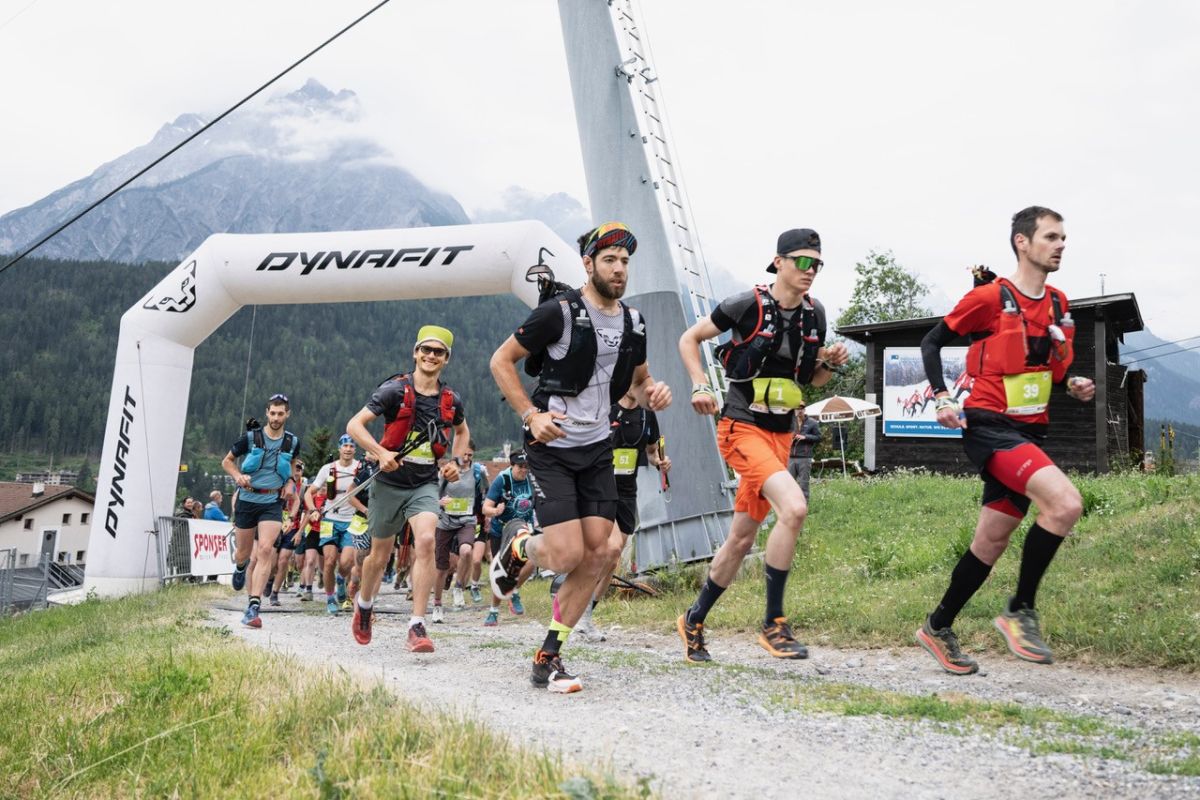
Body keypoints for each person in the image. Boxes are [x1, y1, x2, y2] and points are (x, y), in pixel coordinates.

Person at [489, 221, 671, 693]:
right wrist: (530, 415)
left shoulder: (634, 322)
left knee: (603, 551)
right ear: (588, 264)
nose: (619, 269)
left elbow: (639, 381)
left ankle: (548, 656)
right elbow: (500, 361)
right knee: (567, 553)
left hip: (596, 450)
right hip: (550, 448)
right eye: (609, 260)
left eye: (625, 261)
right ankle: (520, 544)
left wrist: (654, 393)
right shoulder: (559, 313)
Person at [914, 206, 1094, 675]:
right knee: (1065, 504)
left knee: (991, 541)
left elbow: (1045, 368)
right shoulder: (990, 297)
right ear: (1022, 242)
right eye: (1051, 237)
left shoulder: (1058, 303)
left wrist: (1071, 382)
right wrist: (941, 397)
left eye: (1063, 238)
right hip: (989, 427)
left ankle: (937, 626)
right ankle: (1019, 610)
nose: (1060, 245)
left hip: (1029, 431)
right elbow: (931, 343)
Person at [678, 228, 849, 663]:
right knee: (794, 508)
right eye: (803, 262)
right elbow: (689, 339)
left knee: (740, 539)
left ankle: (693, 619)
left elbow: (812, 379)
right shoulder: (745, 305)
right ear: (779, 262)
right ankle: (774, 624)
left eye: (818, 264)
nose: (811, 271)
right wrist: (700, 384)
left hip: (781, 434)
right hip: (741, 427)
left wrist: (828, 364)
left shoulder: (815, 314)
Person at [346, 325, 471, 652]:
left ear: (446, 359)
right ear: (416, 353)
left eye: (438, 352)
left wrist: (456, 463)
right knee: (378, 556)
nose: (431, 356)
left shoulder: (451, 399)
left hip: (424, 483)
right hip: (388, 483)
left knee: (426, 541)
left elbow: (462, 432)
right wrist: (380, 452)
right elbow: (354, 425)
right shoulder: (394, 390)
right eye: (426, 350)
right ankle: (364, 604)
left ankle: (417, 624)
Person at [575, 391, 670, 642]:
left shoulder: (647, 414)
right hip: (600, 487)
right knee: (613, 546)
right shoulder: (605, 407)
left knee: (613, 558)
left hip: (627, 491)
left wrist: (660, 462)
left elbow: (651, 452)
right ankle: (579, 612)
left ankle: (586, 615)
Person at [221, 394, 301, 629]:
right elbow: (227, 461)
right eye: (272, 413)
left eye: (280, 413)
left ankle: (254, 606)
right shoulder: (251, 438)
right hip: (247, 499)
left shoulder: (292, 441)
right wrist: (238, 476)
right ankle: (240, 567)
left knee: (266, 550)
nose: (276, 418)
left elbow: (293, 463)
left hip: (272, 501)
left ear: (287, 414)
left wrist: (290, 482)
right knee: (244, 553)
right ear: (267, 413)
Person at [305, 434, 363, 615]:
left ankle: (340, 579)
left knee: (347, 562)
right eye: (345, 446)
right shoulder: (328, 468)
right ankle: (330, 598)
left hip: (351, 520)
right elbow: (308, 493)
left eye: (351, 446)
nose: (348, 449)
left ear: (355, 449)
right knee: (329, 561)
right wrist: (313, 509)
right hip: (329, 519)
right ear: (339, 449)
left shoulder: (360, 468)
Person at [432, 444, 489, 621]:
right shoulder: (445, 471)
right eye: (463, 454)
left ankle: (458, 587)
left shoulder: (478, 472)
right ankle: (437, 604)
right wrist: (439, 502)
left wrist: (487, 515)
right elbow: (432, 494)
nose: (466, 458)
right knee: (441, 568)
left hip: (467, 520)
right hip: (445, 521)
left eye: (470, 455)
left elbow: (486, 494)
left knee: (466, 551)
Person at [480, 450, 537, 626]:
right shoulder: (502, 480)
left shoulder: (532, 479)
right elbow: (485, 508)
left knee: (532, 561)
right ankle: (493, 611)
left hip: (523, 529)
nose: (524, 470)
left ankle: (513, 591)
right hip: (501, 530)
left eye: (527, 466)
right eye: (520, 466)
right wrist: (496, 511)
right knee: (501, 572)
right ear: (512, 466)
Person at [267, 459, 306, 605]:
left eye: (299, 469)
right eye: (293, 468)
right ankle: (270, 579)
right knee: (272, 563)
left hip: (292, 528)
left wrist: (299, 532)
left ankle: (275, 593)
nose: (296, 472)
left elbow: (308, 512)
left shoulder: (304, 488)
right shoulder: (280, 482)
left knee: (283, 561)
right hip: (275, 525)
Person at [788, 407, 822, 501]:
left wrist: (805, 437)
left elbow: (819, 437)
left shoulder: (812, 422)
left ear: (804, 410)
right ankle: (791, 505)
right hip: (790, 457)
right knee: (789, 484)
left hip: (804, 457)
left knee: (804, 484)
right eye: (797, 408)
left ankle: (804, 505)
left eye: (801, 408)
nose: (799, 410)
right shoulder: (790, 422)